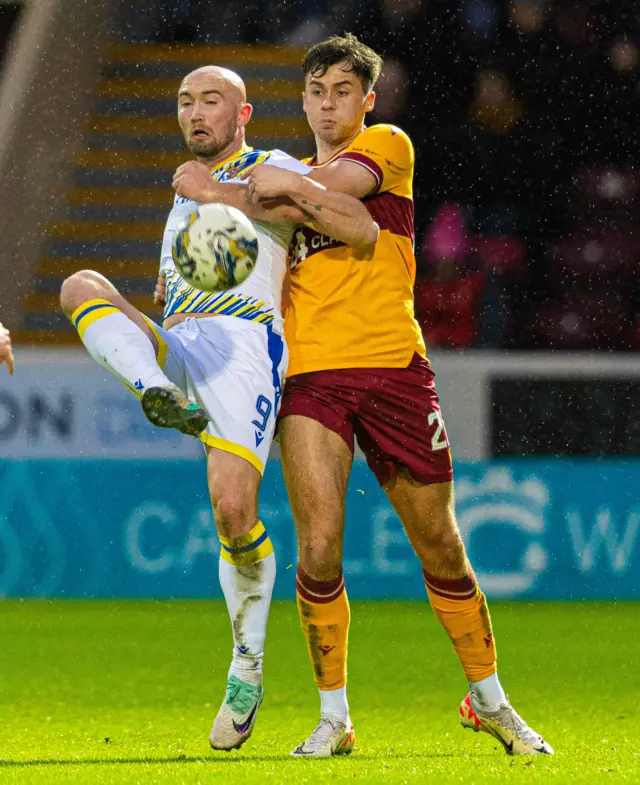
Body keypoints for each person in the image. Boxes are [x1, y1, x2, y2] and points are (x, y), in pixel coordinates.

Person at [181, 34, 554, 758]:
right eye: (316, 93)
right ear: (303, 100)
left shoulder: (386, 146)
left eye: (341, 92)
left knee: (441, 545)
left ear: (367, 100)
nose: (327, 105)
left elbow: (338, 198)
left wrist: (224, 190)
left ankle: (489, 698)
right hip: (311, 378)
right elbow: (275, 232)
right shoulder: (283, 181)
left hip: (394, 368)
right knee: (318, 546)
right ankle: (333, 716)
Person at [59, 65, 378, 753]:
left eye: (211, 101)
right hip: (181, 339)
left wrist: (216, 191)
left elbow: (337, 220)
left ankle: (247, 666)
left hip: (241, 344)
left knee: (234, 511)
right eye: (184, 101)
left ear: (244, 113)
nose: (195, 112)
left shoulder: (274, 166)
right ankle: (154, 390)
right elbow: (173, 276)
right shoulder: (178, 195)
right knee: (79, 284)